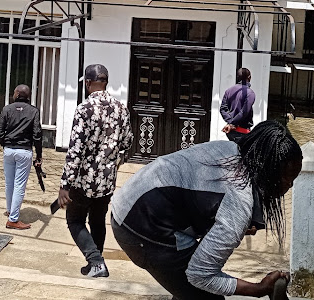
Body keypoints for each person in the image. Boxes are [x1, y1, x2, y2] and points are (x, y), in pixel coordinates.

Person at [111, 120, 303, 299]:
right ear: (269, 172)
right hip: (138, 225)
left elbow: (204, 198)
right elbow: (200, 275)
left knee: (186, 290)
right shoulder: (239, 204)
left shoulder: (233, 148)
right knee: (205, 295)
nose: (290, 185)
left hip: (129, 200)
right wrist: (259, 289)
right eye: (288, 178)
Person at [58, 64, 133, 278]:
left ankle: (96, 261)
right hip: (106, 181)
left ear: (88, 83)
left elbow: (76, 150)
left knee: (74, 221)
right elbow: (128, 142)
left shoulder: (85, 109)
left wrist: (65, 184)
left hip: (83, 181)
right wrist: (113, 161)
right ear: (106, 83)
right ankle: (96, 264)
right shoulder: (121, 108)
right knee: (98, 221)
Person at [0, 84, 42, 230]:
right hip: (24, 152)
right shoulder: (34, 111)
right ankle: (13, 219)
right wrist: (39, 155)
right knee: (19, 186)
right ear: (28, 96)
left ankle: (10, 211)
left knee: (9, 183)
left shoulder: (7, 109)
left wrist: (5, 144)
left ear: (16, 94)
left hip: (9, 150)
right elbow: (37, 135)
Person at [220, 68, 256, 143]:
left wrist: (230, 122)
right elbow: (244, 112)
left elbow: (223, 109)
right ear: (249, 77)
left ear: (237, 77)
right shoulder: (250, 93)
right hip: (243, 131)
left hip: (230, 132)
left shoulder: (229, 91)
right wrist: (232, 123)